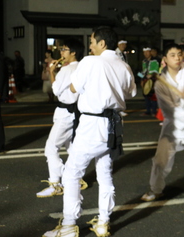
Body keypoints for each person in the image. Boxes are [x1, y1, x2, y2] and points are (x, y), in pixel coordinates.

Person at [43, 26, 136, 237]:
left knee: (71, 173)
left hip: (91, 123)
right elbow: (130, 92)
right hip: (113, 125)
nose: (91, 45)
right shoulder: (123, 65)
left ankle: (68, 225)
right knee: (104, 173)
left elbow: (74, 88)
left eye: (93, 41)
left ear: (102, 43)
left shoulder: (90, 62)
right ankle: (103, 221)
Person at [141, 43, 184, 210]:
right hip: (172, 127)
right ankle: (156, 189)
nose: (177, 58)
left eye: (179, 54)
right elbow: (168, 110)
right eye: (172, 55)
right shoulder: (161, 82)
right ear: (165, 59)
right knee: (161, 161)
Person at [37, 39, 86, 198]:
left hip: (65, 112)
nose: (61, 52)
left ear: (73, 52)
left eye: (65, 49)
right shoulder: (82, 67)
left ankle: (56, 183)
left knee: (51, 147)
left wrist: (52, 72)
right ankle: (75, 177)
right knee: (69, 146)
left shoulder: (67, 70)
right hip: (75, 112)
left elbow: (56, 90)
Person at [140, 47, 160, 116]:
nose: (146, 54)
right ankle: (148, 111)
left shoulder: (155, 61)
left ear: (150, 52)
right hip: (145, 80)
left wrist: (151, 75)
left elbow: (156, 70)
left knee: (153, 96)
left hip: (153, 80)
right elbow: (143, 71)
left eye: (147, 52)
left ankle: (154, 111)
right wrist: (141, 79)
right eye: (144, 52)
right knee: (146, 96)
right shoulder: (144, 61)